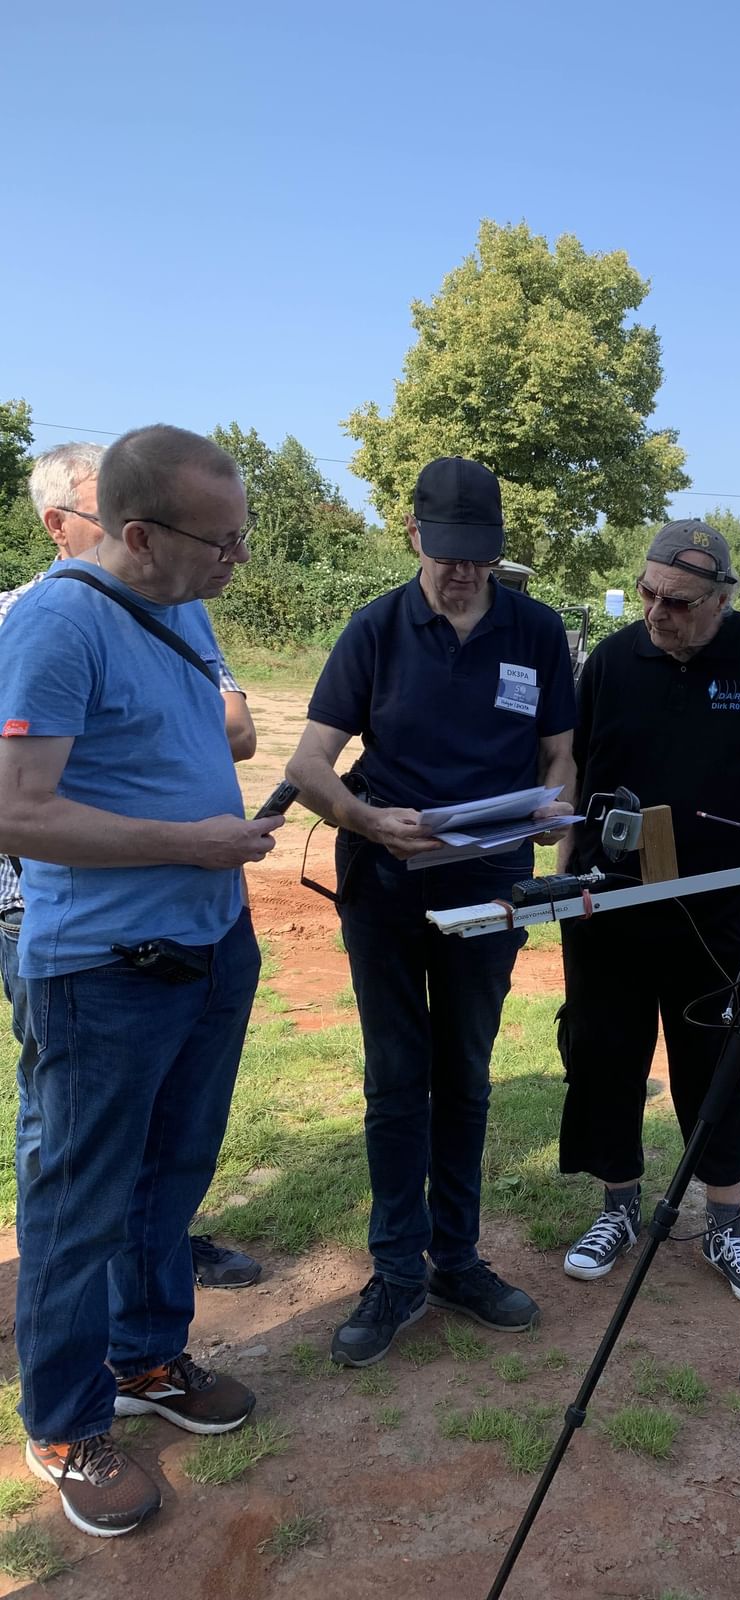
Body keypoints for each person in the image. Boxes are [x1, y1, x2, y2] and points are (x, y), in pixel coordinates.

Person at [0, 425, 284, 1536]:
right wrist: (189, 844)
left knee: (172, 1175)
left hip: (209, 946)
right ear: (139, 533)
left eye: (242, 536)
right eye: (222, 542)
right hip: (104, 972)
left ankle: (147, 1357)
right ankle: (64, 1425)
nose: (238, 560)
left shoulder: (185, 605)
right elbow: (18, 813)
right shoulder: (56, 624)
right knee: (80, 1201)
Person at [286, 456, 575, 1367]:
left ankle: (456, 1260)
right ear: (414, 535)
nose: (462, 572)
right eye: (447, 554)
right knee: (395, 1075)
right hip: (386, 881)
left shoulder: (537, 630)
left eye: (478, 556)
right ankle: (394, 1272)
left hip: (488, 884)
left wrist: (553, 809)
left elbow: (561, 756)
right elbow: (307, 766)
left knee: (466, 1072)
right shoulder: (375, 629)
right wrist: (367, 819)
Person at [556, 519, 740, 1307]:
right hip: (610, 906)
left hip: (720, 911)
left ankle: (725, 1224)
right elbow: (573, 775)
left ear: (721, 599)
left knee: (718, 1063)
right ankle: (618, 1209)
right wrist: (563, 882)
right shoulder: (611, 661)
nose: (657, 612)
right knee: (606, 1056)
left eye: (678, 602)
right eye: (648, 594)